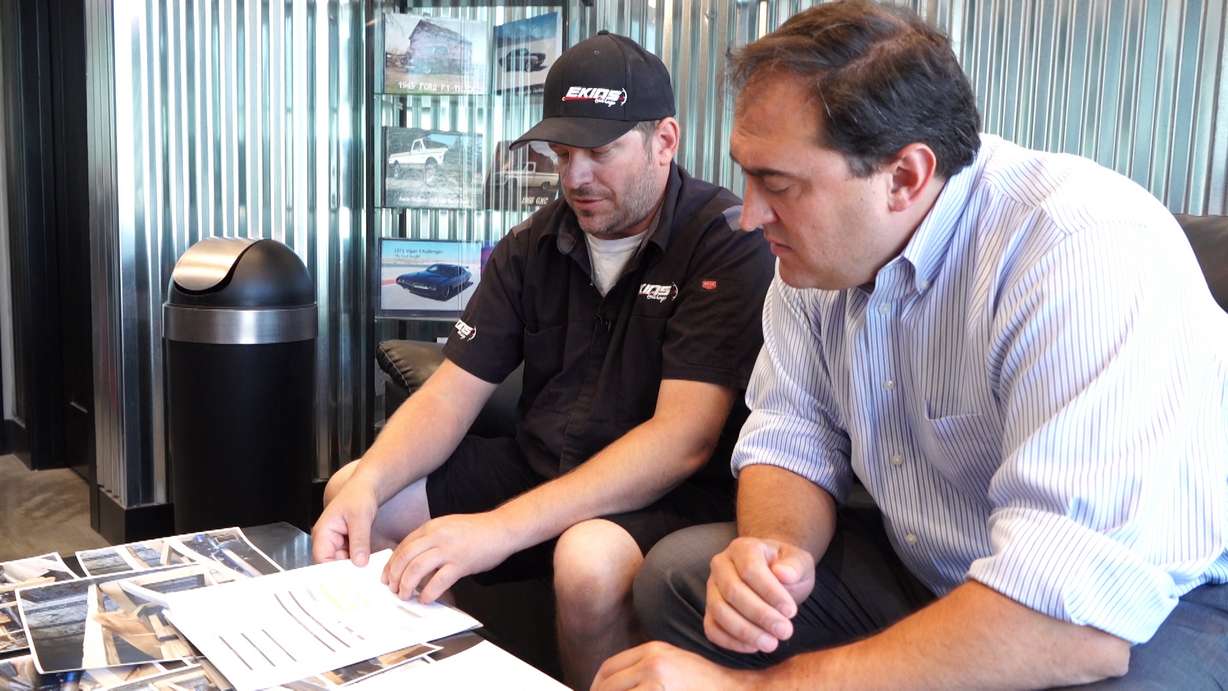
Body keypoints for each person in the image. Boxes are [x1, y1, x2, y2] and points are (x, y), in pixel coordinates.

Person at [595, 2, 1228, 689]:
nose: (750, 217)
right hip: (938, 566)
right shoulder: (813, 262)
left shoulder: (1079, 248)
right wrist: (773, 552)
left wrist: (754, 686)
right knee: (682, 581)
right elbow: (790, 435)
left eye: (776, 184)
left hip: (1151, 609)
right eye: (747, 175)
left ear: (904, 177)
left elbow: (1071, 616)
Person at [312, 31, 773, 688]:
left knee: (587, 560)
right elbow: (449, 394)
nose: (575, 176)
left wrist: (496, 530)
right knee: (359, 492)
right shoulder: (533, 242)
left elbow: (682, 441)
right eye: (562, 154)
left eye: (599, 152)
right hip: (543, 461)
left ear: (664, 141)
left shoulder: (724, 241)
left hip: (663, 491)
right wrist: (366, 484)